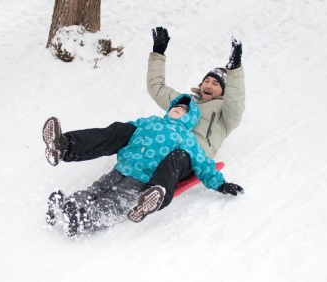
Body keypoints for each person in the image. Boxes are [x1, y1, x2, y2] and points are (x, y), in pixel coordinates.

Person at [43, 26, 245, 223]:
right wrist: (158, 53)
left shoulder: (225, 114)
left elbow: (235, 102)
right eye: (206, 81)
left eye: (216, 83)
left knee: (177, 156)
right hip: (153, 150)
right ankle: (65, 146)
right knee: (126, 129)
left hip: (189, 158)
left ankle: (151, 195)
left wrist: (234, 68)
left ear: (225, 92)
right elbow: (157, 87)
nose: (209, 85)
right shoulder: (184, 103)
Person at [44, 94, 239, 238]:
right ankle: (67, 195)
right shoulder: (150, 121)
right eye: (177, 106)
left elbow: (202, 162)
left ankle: (85, 219)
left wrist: (220, 183)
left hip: (142, 179)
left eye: (184, 110)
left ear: (190, 118)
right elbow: (122, 131)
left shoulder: (186, 137)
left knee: (116, 199)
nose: (179, 108)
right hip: (121, 169)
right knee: (97, 189)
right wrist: (121, 133)